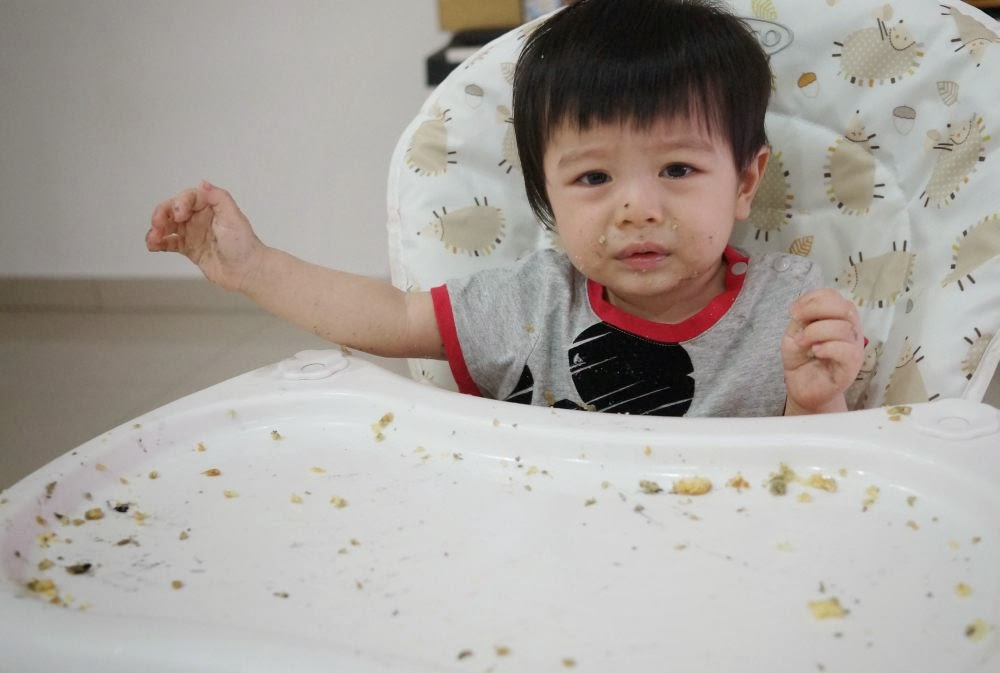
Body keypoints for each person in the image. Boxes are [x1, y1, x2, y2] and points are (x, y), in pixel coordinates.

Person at [147, 0, 864, 417]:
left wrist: (815, 402)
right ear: (545, 194)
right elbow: (392, 317)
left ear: (745, 182)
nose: (638, 208)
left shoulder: (791, 313)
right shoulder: (530, 305)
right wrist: (254, 266)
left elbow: (819, 482)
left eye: (678, 169)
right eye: (593, 177)